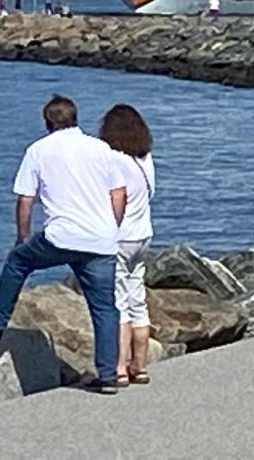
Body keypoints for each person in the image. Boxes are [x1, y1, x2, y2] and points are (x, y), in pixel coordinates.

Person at [0, 95, 127, 394]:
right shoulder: (101, 149)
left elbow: (25, 200)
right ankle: (108, 375)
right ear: (76, 118)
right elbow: (119, 194)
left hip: (62, 236)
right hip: (101, 239)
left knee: (18, 262)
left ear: (47, 122)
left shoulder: (38, 151)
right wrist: (111, 228)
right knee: (105, 308)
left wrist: (21, 237)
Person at [99, 104, 155, 387]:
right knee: (138, 302)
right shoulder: (146, 158)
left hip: (121, 237)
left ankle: (120, 367)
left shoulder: (115, 160)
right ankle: (141, 366)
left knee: (119, 304)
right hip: (144, 236)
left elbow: (116, 198)